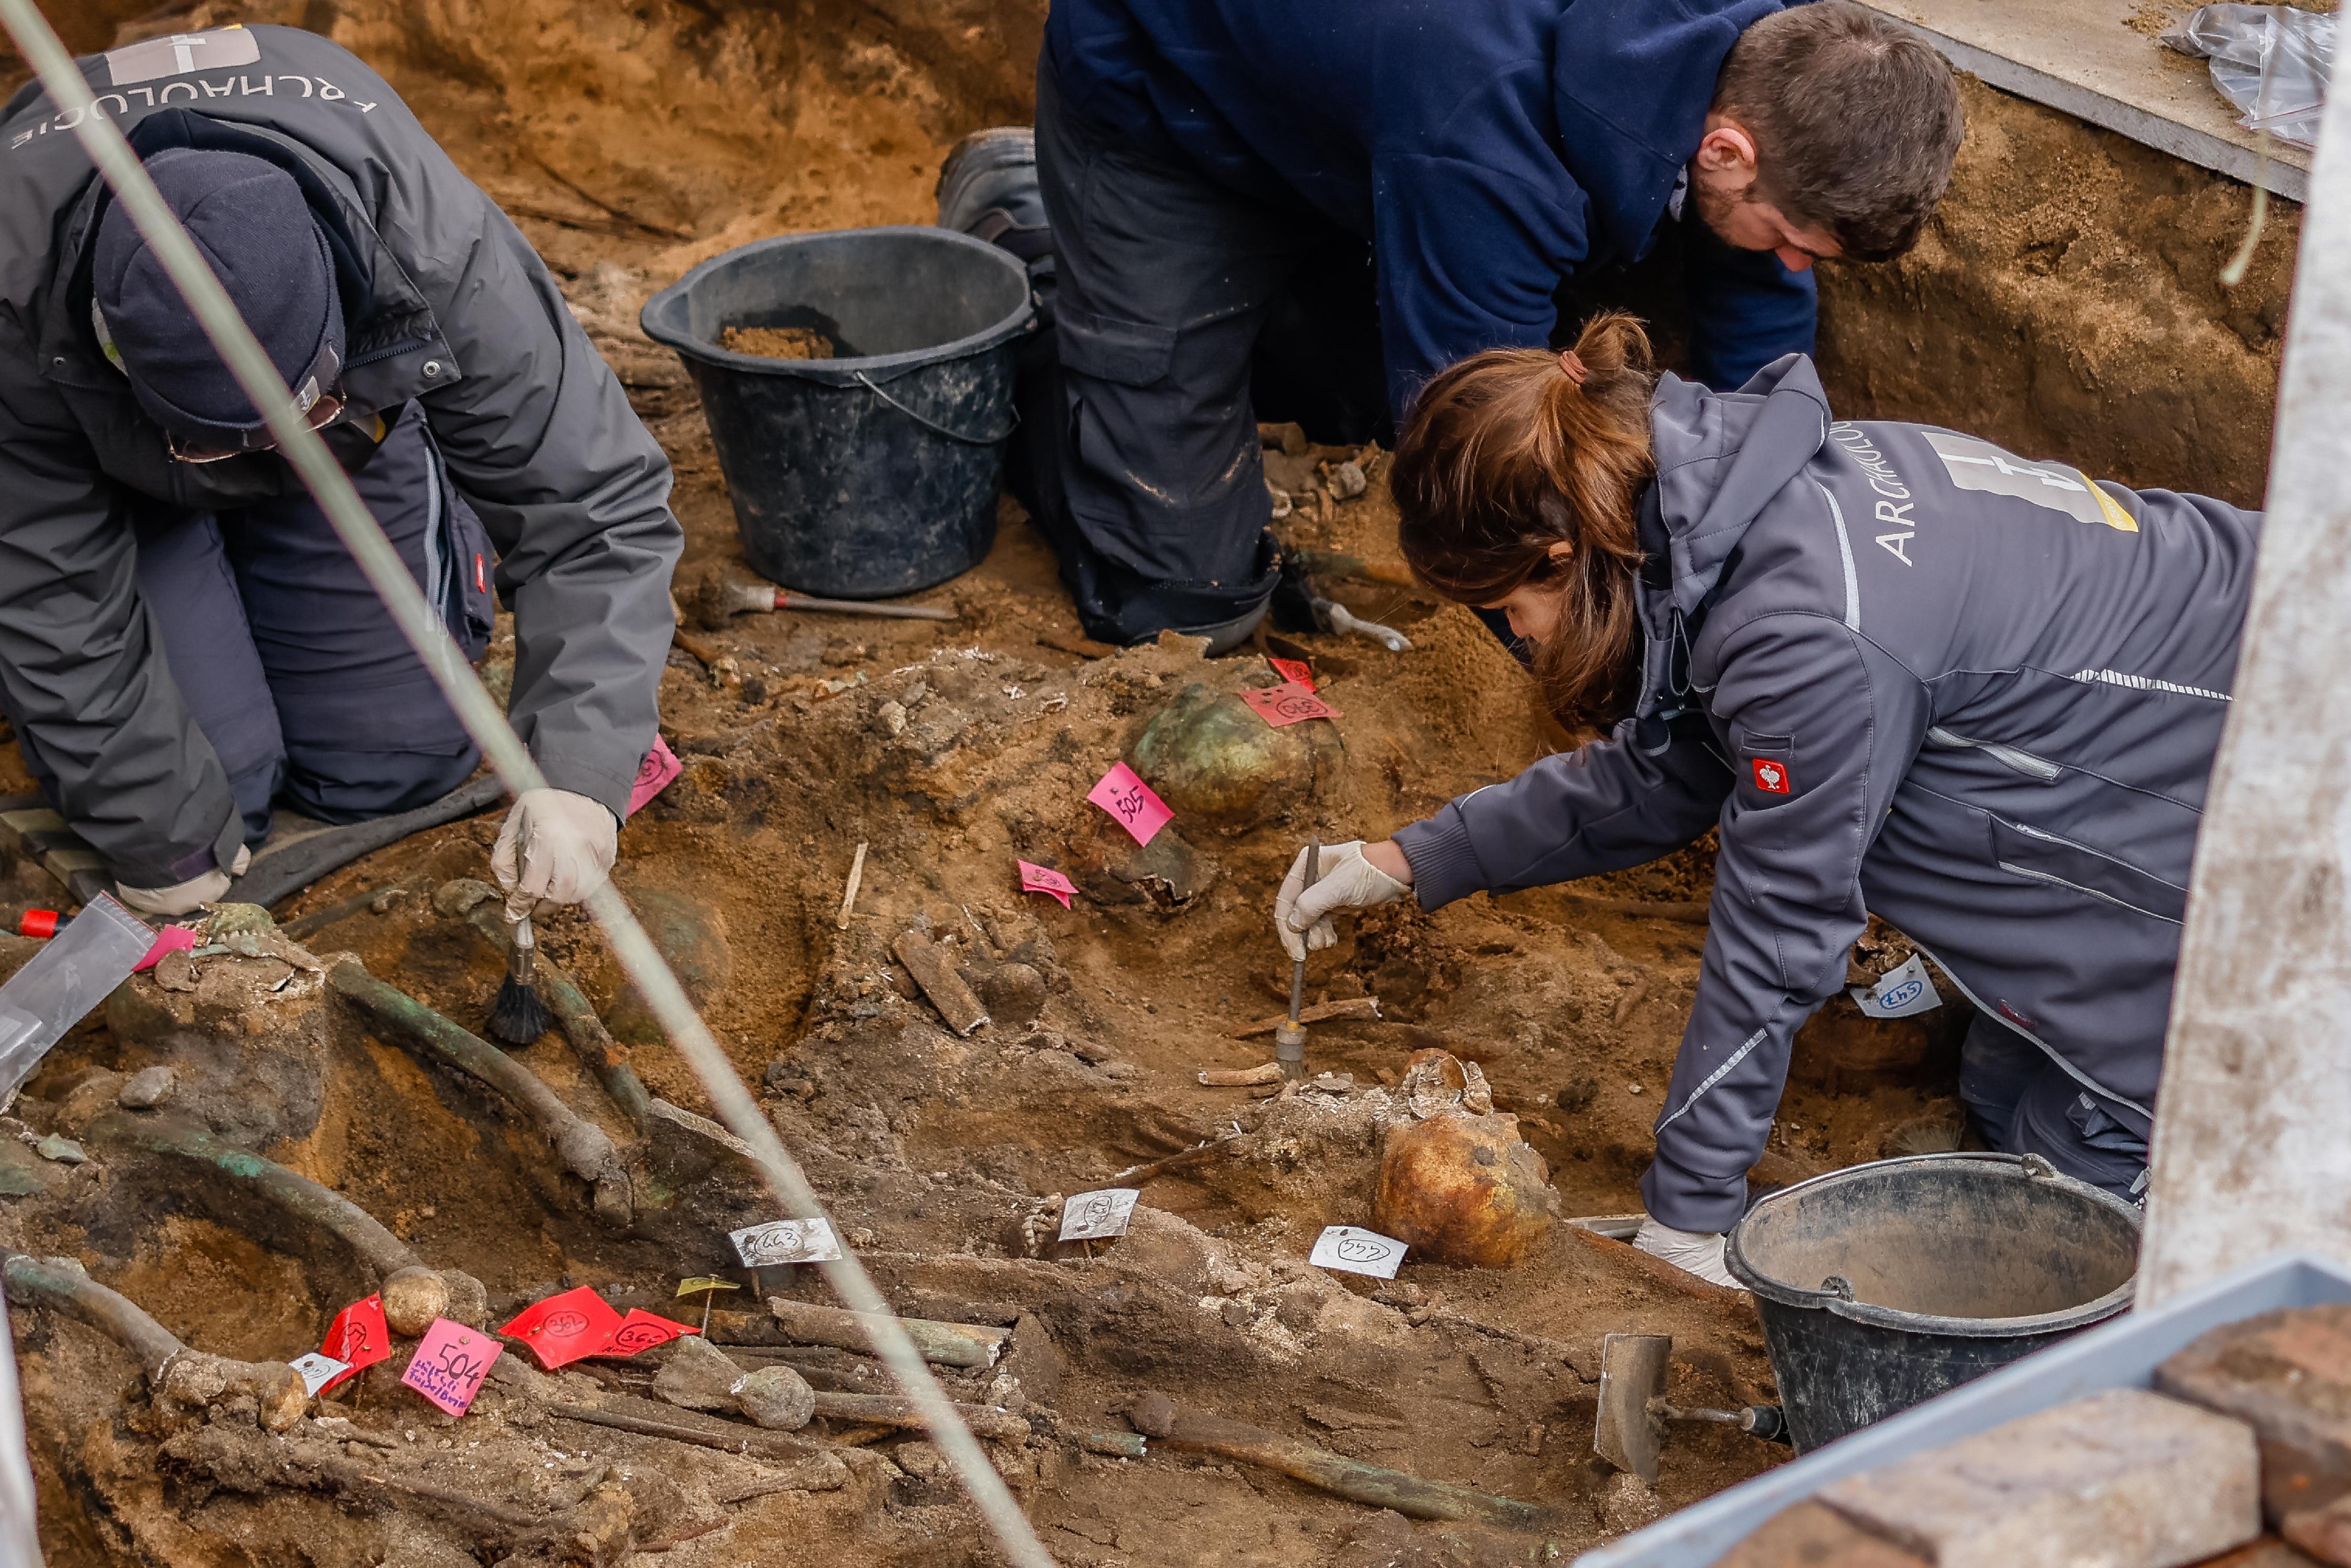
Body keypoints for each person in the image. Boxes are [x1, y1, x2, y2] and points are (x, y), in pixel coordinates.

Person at [1274, 314, 2259, 1286]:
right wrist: (1412, 858)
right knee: (1996, 1091)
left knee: (2062, 1215)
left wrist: (1691, 1211)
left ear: (1562, 556)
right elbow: (1672, 765)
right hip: (2201, 715)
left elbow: (1781, 929)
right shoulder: (1738, 501)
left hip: (2271, 812)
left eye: (1510, 610)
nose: (1523, 637)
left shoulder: (1804, 631)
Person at [936, 0, 1962, 652]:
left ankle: (1230, 306)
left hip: (1361, 112)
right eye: (1790, 238)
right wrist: (1617, 667)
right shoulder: (1488, 153)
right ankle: (1039, 255)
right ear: (1725, 150)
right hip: (1167, 96)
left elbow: (1760, 311)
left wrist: (1781, 510)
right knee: (1184, 600)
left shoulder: (1770, 56)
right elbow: (1475, 476)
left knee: (1362, 391)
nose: (1793, 266)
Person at [0, 25, 680, 917]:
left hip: (356, 445)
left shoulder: (429, 251)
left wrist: (580, 772)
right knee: (210, 811)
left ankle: (315, 454)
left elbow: (593, 506)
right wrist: (159, 838)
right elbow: (39, 579)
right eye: (216, 439)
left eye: (301, 410)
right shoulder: (13, 300)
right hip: (124, 485)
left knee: (392, 761)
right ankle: (206, 504)